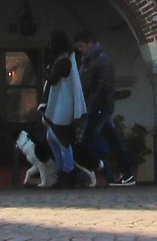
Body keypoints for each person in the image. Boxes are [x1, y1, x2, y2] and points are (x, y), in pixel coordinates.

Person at [73, 30, 135, 186]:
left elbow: (105, 84)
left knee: (85, 141)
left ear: (90, 43)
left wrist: (92, 101)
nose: (80, 49)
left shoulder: (102, 60)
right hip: (96, 106)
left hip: (99, 107)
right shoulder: (87, 60)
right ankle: (126, 174)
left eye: (81, 46)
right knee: (112, 141)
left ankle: (84, 172)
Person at [39, 31, 86, 187]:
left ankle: (68, 171)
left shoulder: (64, 61)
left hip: (62, 105)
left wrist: (46, 72)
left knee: (62, 140)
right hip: (58, 103)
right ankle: (62, 170)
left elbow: (52, 79)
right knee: (52, 139)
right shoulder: (61, 60)